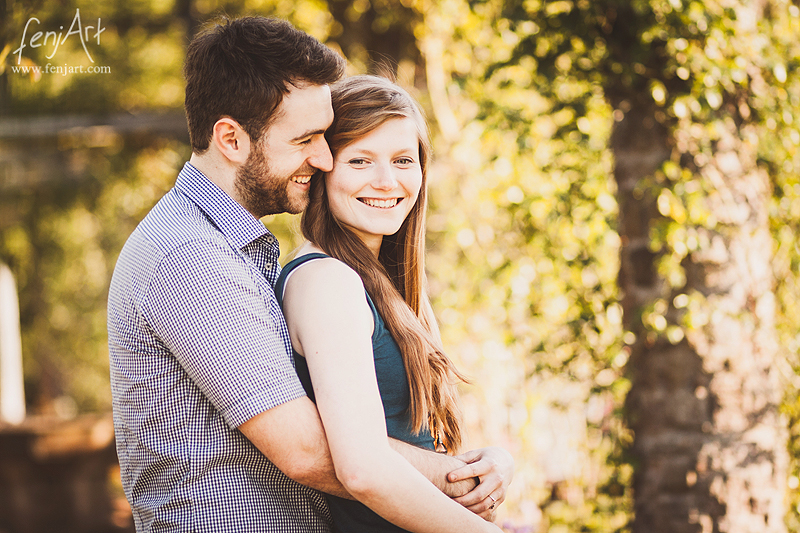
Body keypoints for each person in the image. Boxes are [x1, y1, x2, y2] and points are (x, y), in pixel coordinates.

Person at [107, 16, 510, 532]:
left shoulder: (233, 248)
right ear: (230, 138)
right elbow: (313, 451)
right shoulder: (190, 256)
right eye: (307, 139)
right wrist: (466, 482)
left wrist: (489, 463)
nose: (323, 158)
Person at [274, 75, 513, 533]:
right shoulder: (327, 281)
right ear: (324, 168)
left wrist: (494, 463)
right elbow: (362, 468)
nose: (386, 182)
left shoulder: (389, 284)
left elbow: (413, 442)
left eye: (403, 160)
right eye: (360, 160)